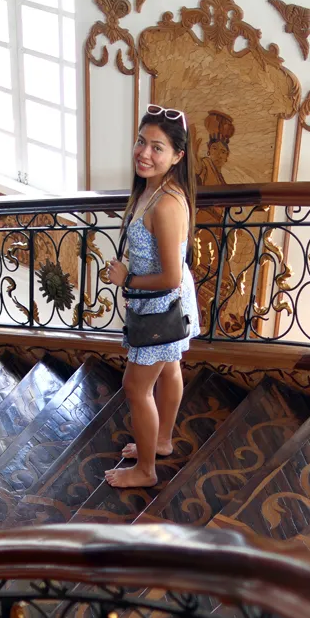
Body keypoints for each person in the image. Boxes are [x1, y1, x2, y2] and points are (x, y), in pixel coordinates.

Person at [105, 105, 199, 489]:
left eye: (157, 147)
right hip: (164, 306)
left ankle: (145, 470)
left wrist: (128, 279)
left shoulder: (166, 204)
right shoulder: (151, 188)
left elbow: (172, 277)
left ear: (177, 156)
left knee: (136, 386)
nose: (144, 153)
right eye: (141, 141)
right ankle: (161, 441)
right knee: (171, 368)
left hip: (163, 305)